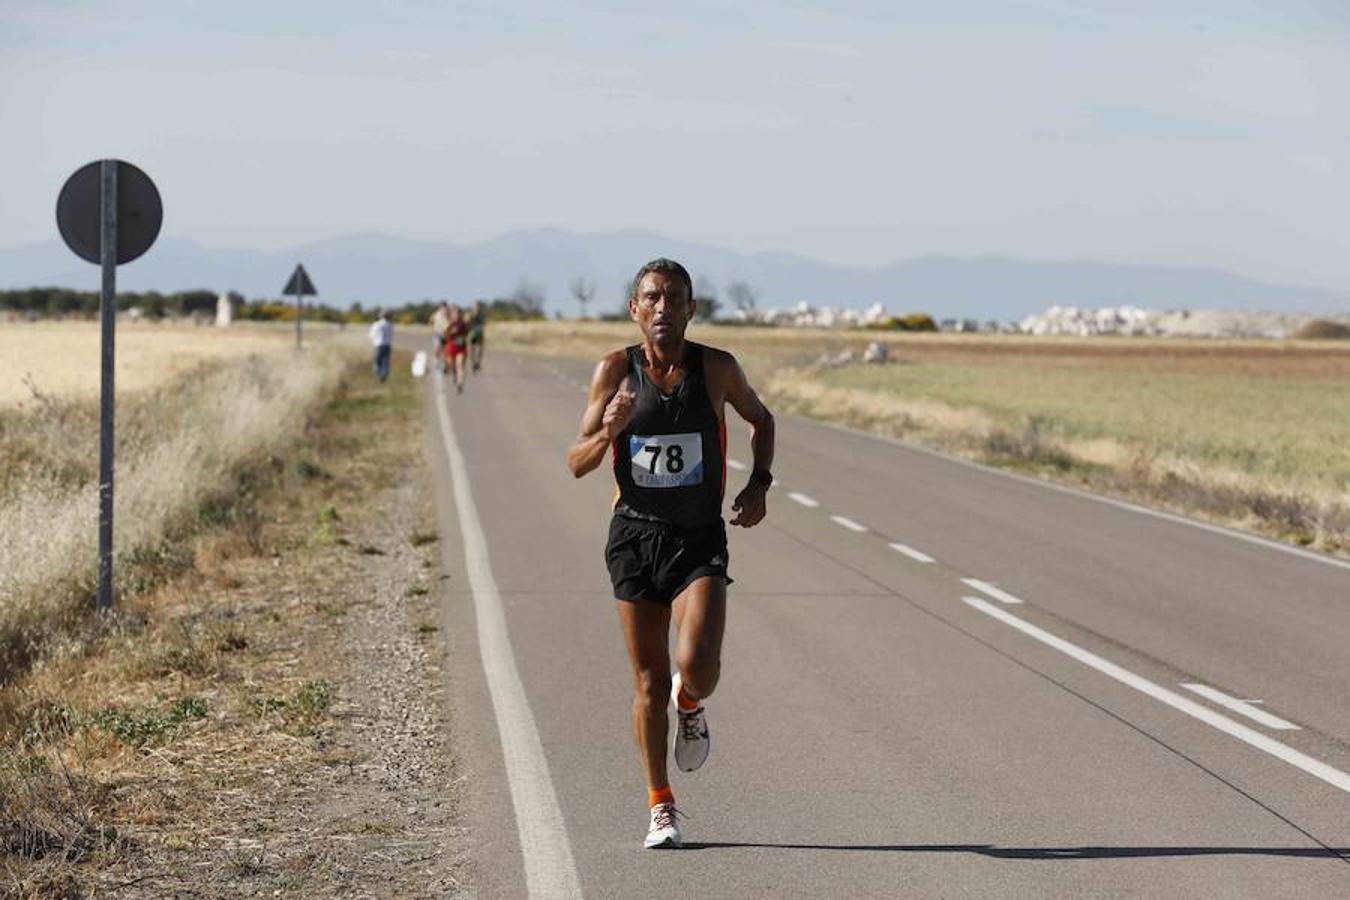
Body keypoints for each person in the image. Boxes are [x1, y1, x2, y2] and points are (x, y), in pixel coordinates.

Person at [566, 258, 775, 849]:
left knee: (699, 664)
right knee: (648, 682)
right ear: (634, 309)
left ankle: (693, 701)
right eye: (651, 298)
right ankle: (661, 805)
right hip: (634, 537)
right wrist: (607, 431)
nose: (663, 308)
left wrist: (760, 482)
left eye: (674, 298)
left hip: (699, 538)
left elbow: (763, 420)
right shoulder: (615, 371)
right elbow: (574, 462)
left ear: (690, 308)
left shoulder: (717, 369)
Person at [445, 304, 469, 393]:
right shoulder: (449, 324)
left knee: (460, 365)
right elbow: (445, 335)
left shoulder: (463, 324)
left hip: (461, 347)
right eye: (454, 314)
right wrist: (451, 332)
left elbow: (466, 333)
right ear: (452, 314)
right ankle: (455, 375)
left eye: (458, 313)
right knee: (452, 365)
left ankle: (460, 383)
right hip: (452, 346)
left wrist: (462, 337)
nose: (456, 315)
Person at [368, 309, 392, 382]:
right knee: (385, 361)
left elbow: (371, 335)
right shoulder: (390, 325)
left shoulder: (376, 324)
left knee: (378, 361)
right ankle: (383, 374)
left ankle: (379, 374)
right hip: (387, 345)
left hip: (378, 345)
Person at [431, 301, 451, 368]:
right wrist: (435, 328)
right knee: (437, 347)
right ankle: (436, 360)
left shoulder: (448, 315)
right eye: (442, 308)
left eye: (445, 308)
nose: (444, 309)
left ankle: (444, 364)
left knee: (445, 351)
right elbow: (432, 322)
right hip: (437, 334)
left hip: (445, 335)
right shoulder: (436, 315)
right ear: (440, 308)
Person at [468, 300, 487, 373]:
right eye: (475, 306)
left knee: (480, 349)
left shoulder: (482, 314)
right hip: (472, 333)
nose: (476, 307)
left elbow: (484, 323)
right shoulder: (470, 314)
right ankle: (473, 363)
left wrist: (482, 326)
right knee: (471, 349)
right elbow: (468, 323)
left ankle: (478, 362)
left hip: (479, 333)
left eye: (477, 306)